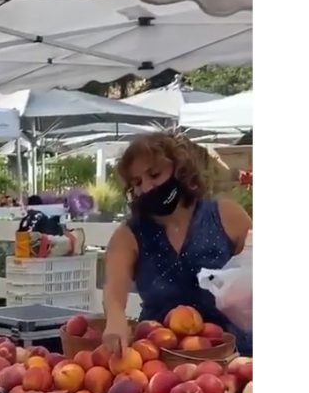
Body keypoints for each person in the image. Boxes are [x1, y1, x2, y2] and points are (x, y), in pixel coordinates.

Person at [102, 132, 252, 355]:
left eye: (154, 174)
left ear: (180, 168)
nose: (148, 187)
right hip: (161, 359)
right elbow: (114, 290)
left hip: (232, 355)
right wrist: (115, 319)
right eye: (137, 182)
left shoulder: (226, 215)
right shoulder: (128, 236)